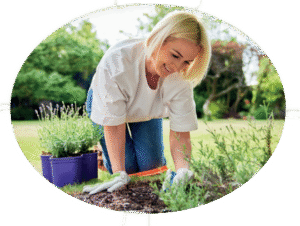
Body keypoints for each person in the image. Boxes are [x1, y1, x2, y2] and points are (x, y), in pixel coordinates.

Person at [83, 11, 211, 194]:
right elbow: (113, 125)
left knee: (151, 166)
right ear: (159, 39)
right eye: (175, 55)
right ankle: (104, 157)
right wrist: (120, 173)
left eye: (187, 62)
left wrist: (183, 169)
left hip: (146, 109)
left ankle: (115, 159)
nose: (177, 67)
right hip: (106, 105)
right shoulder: (117, 63)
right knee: (127, 168)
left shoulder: (180, 77)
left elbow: (181, 133)